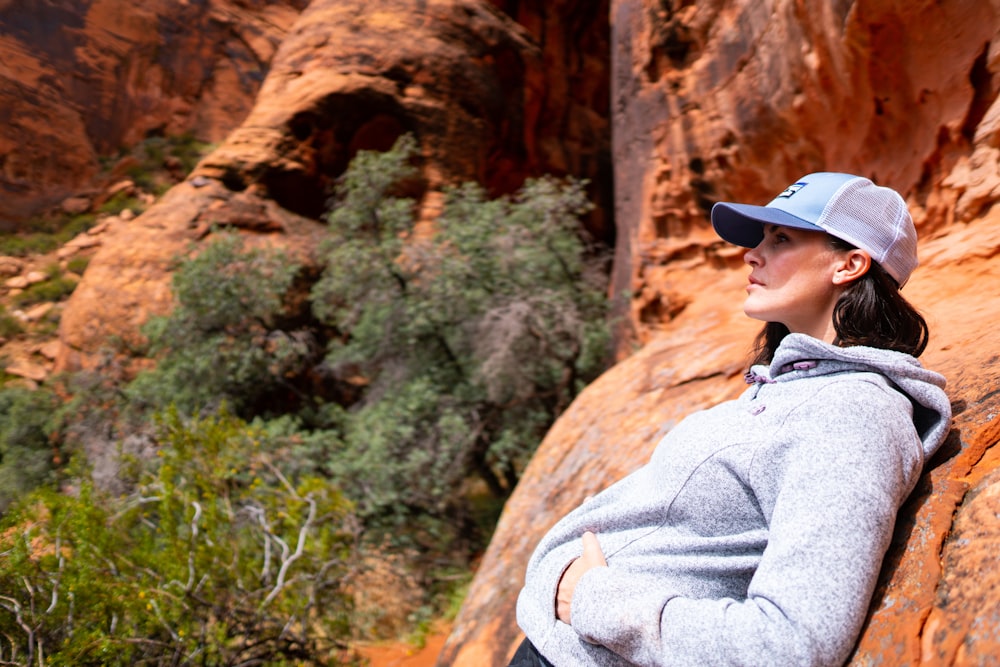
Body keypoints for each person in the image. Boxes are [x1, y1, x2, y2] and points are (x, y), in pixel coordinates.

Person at [509, 172, 952, 667]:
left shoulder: (851, 414)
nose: (751, 254)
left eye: (780, 238)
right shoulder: (791, 387)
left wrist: (596, 600)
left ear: (849, 264)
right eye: (761, 238)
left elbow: (790, 644)